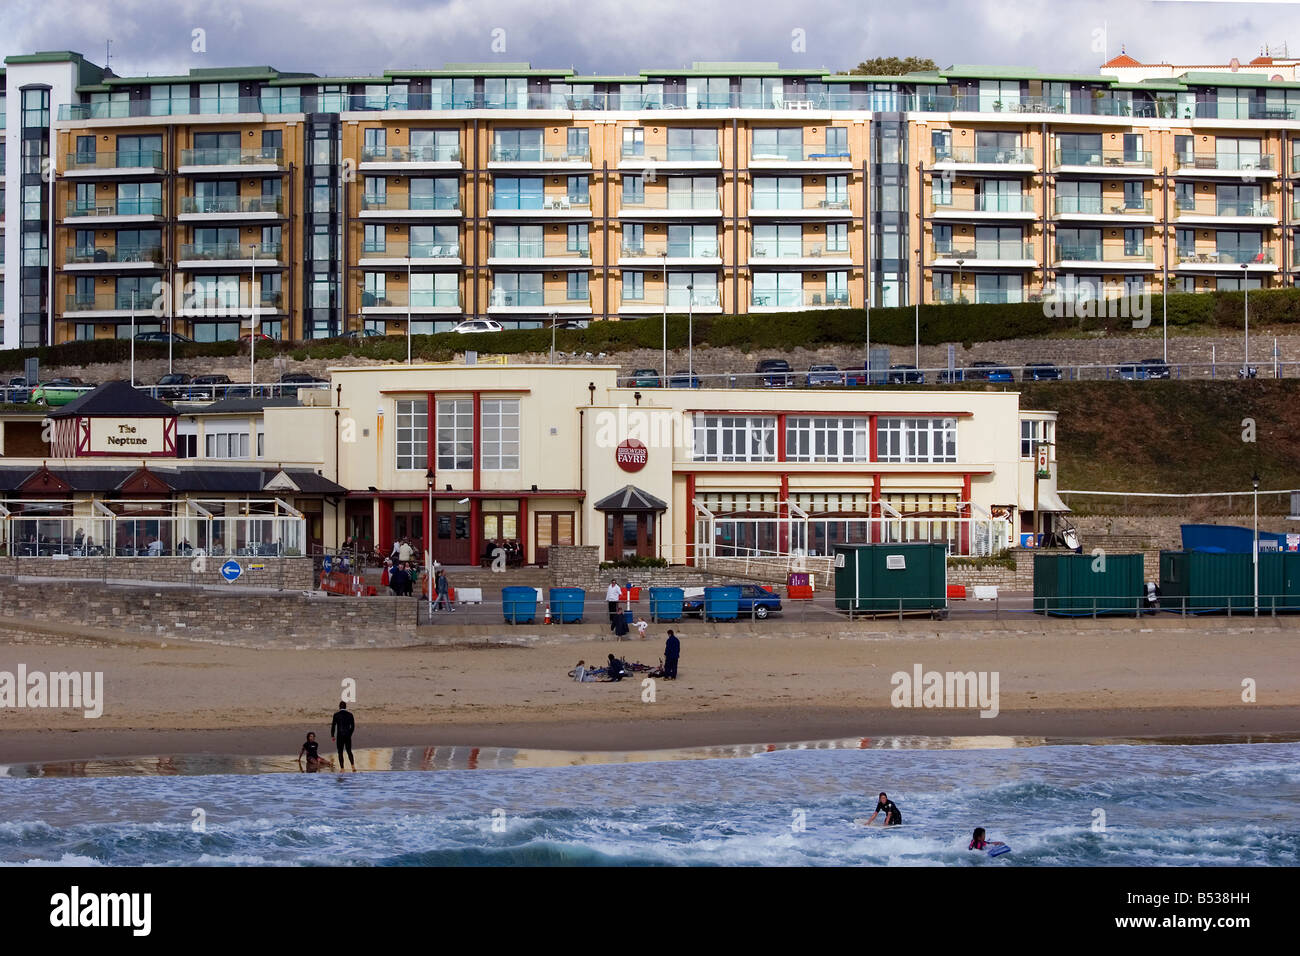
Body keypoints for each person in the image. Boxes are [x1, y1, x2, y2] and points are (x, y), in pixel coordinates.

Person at [331, 701, 356, 772]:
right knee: (349, 751)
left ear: (339, 707)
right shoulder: (350, 714)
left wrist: (332, 735)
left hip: (340, 735)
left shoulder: (336, 715)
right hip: (347, 735)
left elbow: (333, 726)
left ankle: (342, 768)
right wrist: (349, 734)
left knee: (340, 752)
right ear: (346, 707)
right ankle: (353, 766)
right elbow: (353, 726)